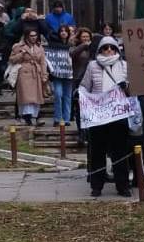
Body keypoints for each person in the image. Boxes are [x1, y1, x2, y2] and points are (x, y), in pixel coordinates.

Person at [80, 36, 132, 197]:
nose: (109, 50)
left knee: (120, 152)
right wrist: (80, 94)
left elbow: (133, 90)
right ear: (100, 50)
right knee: (97, 152)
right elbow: (84, 86)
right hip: (99, 117)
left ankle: (122, 185)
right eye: (105, 48)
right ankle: (97, 185)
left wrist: (127, 86)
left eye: (112, 48)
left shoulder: (124, 66)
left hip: (118, 115)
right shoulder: (92, 66)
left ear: (117, 49)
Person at [9, 30, 49, 126]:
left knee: (36, 96)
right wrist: (21, 54)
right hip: (24, 72)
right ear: (27, 36)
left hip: (36, 72)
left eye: (35, 35)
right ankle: (27, 118)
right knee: (25, 96)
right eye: (31, 36)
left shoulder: (39, 47)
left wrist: (44, 74)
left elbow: (43, 62)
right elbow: (12, 59)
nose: (33, 37)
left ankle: (37, 117)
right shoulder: (18, 46)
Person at [45, 25, 74, 126]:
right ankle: (58, 118)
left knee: (67, 96)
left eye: (65, 31)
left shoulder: (73, 44)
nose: (63, 33)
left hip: (69, 75)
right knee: (58, 94)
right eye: (61, 31)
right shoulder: (53, 44)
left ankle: (66, 119)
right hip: (57, 75)